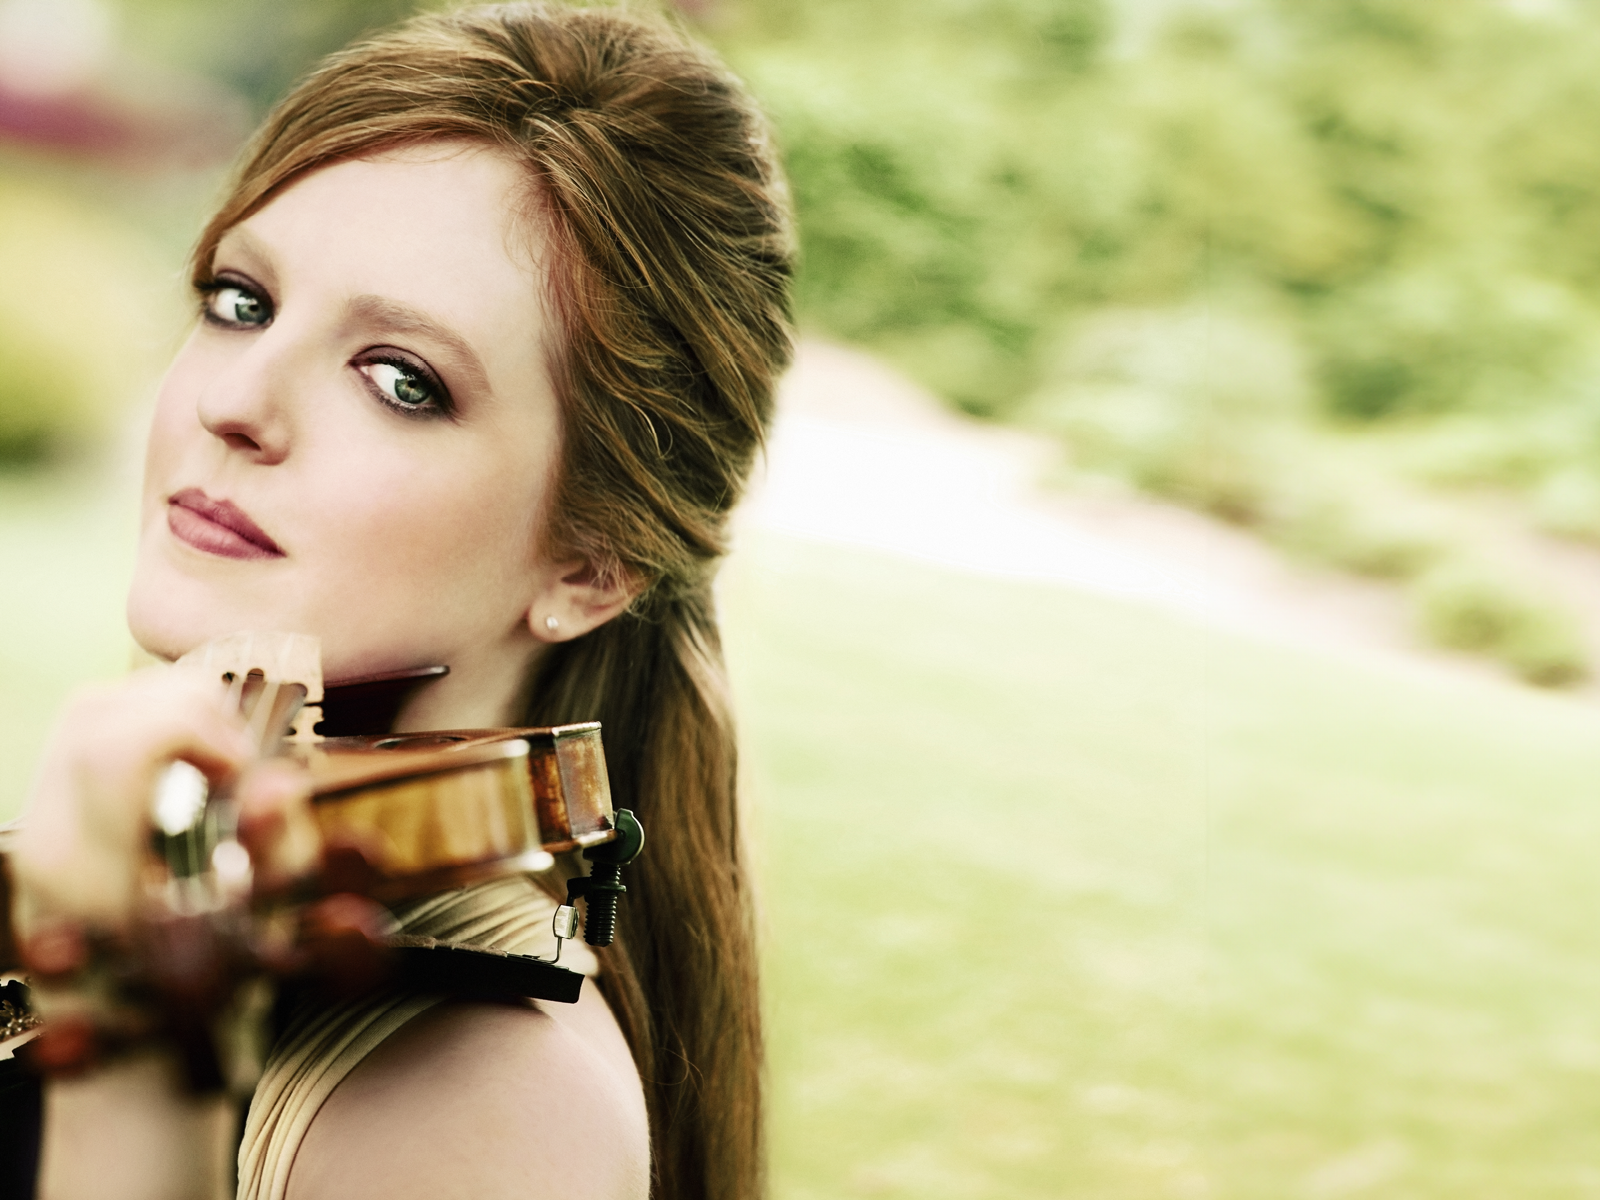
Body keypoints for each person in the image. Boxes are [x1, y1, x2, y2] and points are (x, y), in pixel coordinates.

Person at [4, 4, 793, 1198]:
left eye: (400, 380)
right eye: (241, 301)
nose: (235, 401)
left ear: (590, 564)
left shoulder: (502, 1104)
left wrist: (137, 1034)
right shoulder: (186, 856)